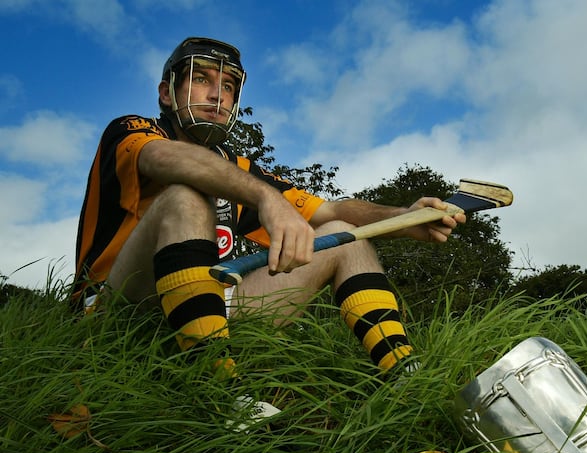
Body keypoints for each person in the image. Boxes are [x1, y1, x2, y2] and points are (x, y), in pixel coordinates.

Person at [70, 37, 465, 426]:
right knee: (186, 194)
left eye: (228, 86)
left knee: (342, 233)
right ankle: (219, 393)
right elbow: (163, 159)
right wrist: (266, 199)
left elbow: (330, 209)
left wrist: (403, 215)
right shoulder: (132, 129)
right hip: (113, 319)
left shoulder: (236, 166)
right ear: (167, 93)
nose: (217, 95)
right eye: (202, 79)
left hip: (201, 313)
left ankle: (410, 382)